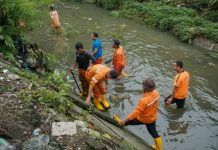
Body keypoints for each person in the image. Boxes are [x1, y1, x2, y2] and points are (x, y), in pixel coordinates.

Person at [113, 79, 162, 150]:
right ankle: (159, 148)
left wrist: (124, 120)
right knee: (154, 134)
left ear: (144, 88)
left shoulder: (144, 101)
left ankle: (120, 122)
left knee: (128, 122)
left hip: (143, 118)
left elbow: (136, 113)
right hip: (152, 118)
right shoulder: (156, 93)